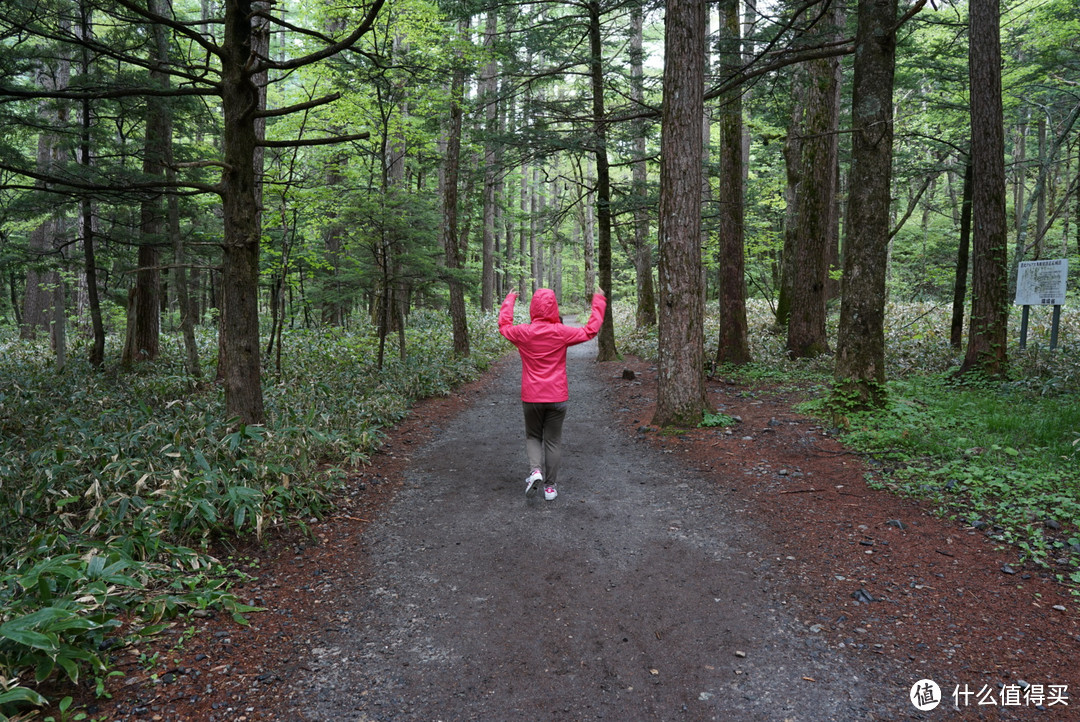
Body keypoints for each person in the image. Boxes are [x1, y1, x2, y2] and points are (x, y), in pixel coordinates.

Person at [498, 287, 607, 501]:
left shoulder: (523, 332)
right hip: (557, 396)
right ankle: (550, 487)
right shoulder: (561, 332)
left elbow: (504, 326)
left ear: (533, 308)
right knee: (553, 441)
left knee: (533, 436)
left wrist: (509, 299)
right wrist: (598, 301)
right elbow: (589, 331)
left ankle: (535, 471)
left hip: (531, 396)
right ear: (554, 307)